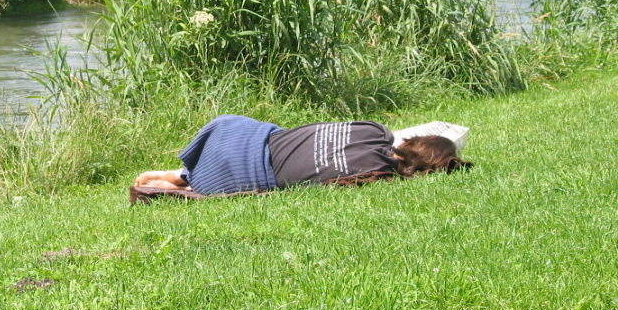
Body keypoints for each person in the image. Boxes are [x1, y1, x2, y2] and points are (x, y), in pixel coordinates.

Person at [134, 115, 471, 195]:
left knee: (275, 132)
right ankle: (185, 183)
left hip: (231, 135)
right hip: (237, 176)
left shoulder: (375, 131)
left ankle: (184, 173)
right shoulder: (375, 177)